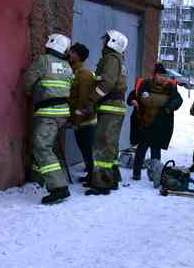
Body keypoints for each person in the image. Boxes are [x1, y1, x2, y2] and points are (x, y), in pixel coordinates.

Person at [76, 30, 128, 196]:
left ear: (112, 42)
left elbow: (106, 83)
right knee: (109, 144)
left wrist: (91, 100)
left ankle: (102, 183)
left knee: (102, 144)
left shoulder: (112, 59)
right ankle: (112, 178)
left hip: (110, 106)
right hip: (112, 106)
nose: (103, 41)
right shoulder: (116, 59)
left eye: (105, 39)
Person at [24, 34, 75, 205]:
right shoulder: (67, 65)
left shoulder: (43, 60)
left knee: (42, 146)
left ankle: (58, 188)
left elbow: (28, 80)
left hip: (47, 111)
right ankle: (38, 178)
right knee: (48, 144)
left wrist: (30, 92)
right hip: (62, 112)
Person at [127, 63, 183, 180]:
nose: (163, 78)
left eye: (164, 76)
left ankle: (155, 173)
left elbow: (178, 100)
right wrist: (133, 100)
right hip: (145, 121)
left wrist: (168, 107)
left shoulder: (170, 87)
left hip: (160, 123)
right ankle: (136, 173)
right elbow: (133, 95)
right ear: (154, 75)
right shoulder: (145, 84)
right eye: (160, 75)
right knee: (142, 148)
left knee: (155, 149)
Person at [68, 43, 96, 183]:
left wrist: (77, 121)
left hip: (85, 121)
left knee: (87, 149)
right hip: (79, 119)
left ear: (78, 56)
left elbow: (83, 99)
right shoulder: (74, 72)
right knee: (84, 148)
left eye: (72, 52)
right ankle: (91, 174)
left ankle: (93, 176)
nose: (69, 54)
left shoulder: (84, 74)